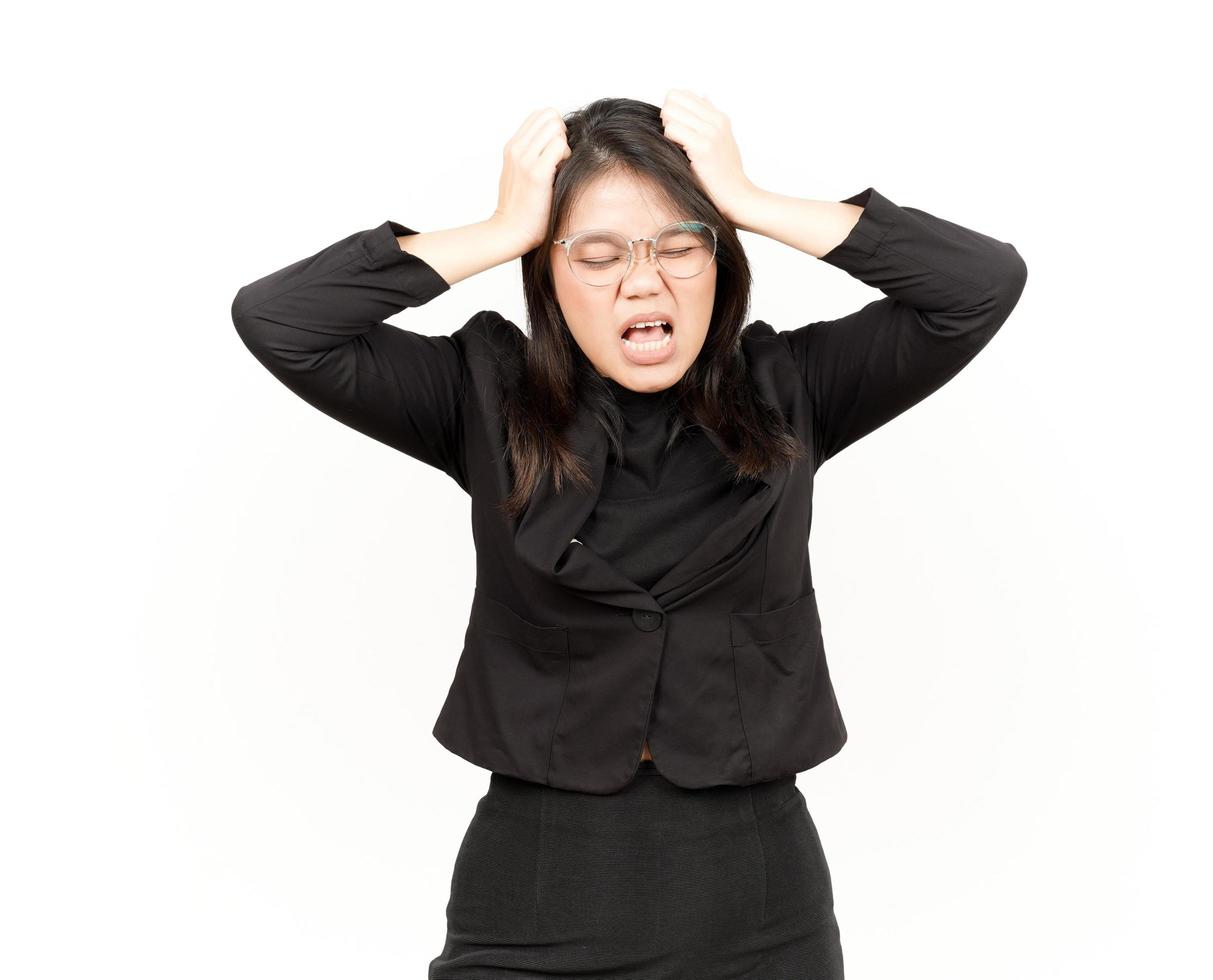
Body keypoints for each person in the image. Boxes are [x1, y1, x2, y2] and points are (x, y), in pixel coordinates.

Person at [230, 91, 1027, 979]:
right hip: (533, 893)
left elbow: (977, 286)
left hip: (759, 905)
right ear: (548, 274)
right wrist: (504, 228)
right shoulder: (480, 396)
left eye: (680, 247)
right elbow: (282, 321)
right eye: (599, 256)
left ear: (719, 261)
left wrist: (748, 201)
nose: (642, 281)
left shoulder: (792, 389)